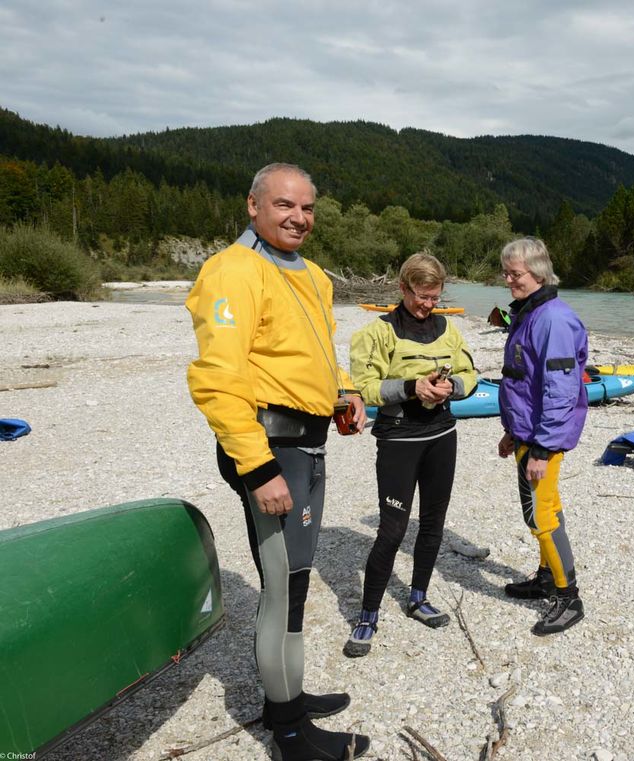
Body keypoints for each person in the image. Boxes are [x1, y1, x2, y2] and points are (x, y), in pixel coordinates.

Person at [186, 163, 369, 761]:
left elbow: (312, 352)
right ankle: (289, 733)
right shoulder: (232, 271)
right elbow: (218, 378)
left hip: (308, 444)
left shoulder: (312, 275)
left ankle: (282, 697)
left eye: (308, 208)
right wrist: (257, 468)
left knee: (296, 581)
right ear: (253, 206)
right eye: (285, 205)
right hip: (270, 450)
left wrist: (344, 391)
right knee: (282, 590)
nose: (298, 217)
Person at [343, 252, 476, 657]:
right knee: (393, 530)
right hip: (399, 440)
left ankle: (418, 597)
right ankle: (367, 614)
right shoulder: (376, 333)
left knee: (433, 523)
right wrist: (410, 388)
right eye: (421, 297)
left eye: (435, 297)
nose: (428, 305)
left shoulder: (448, 329)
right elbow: (363, 386)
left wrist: (451, 389)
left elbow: (471, 374)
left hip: (442, 436)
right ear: (402, 289)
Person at [496, 237, 589, 636]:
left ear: (537, 273)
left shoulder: (552, 320)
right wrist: (512, 433)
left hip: (542, 441)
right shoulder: (529, 314)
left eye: (514, 274)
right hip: (527, 435)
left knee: (543, 515)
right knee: (542, 509)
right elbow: (524, 381)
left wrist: (543, 447)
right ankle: (546, 578)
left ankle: (569, 599)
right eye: (507, 273)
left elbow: (560, 389)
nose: (507, 280)